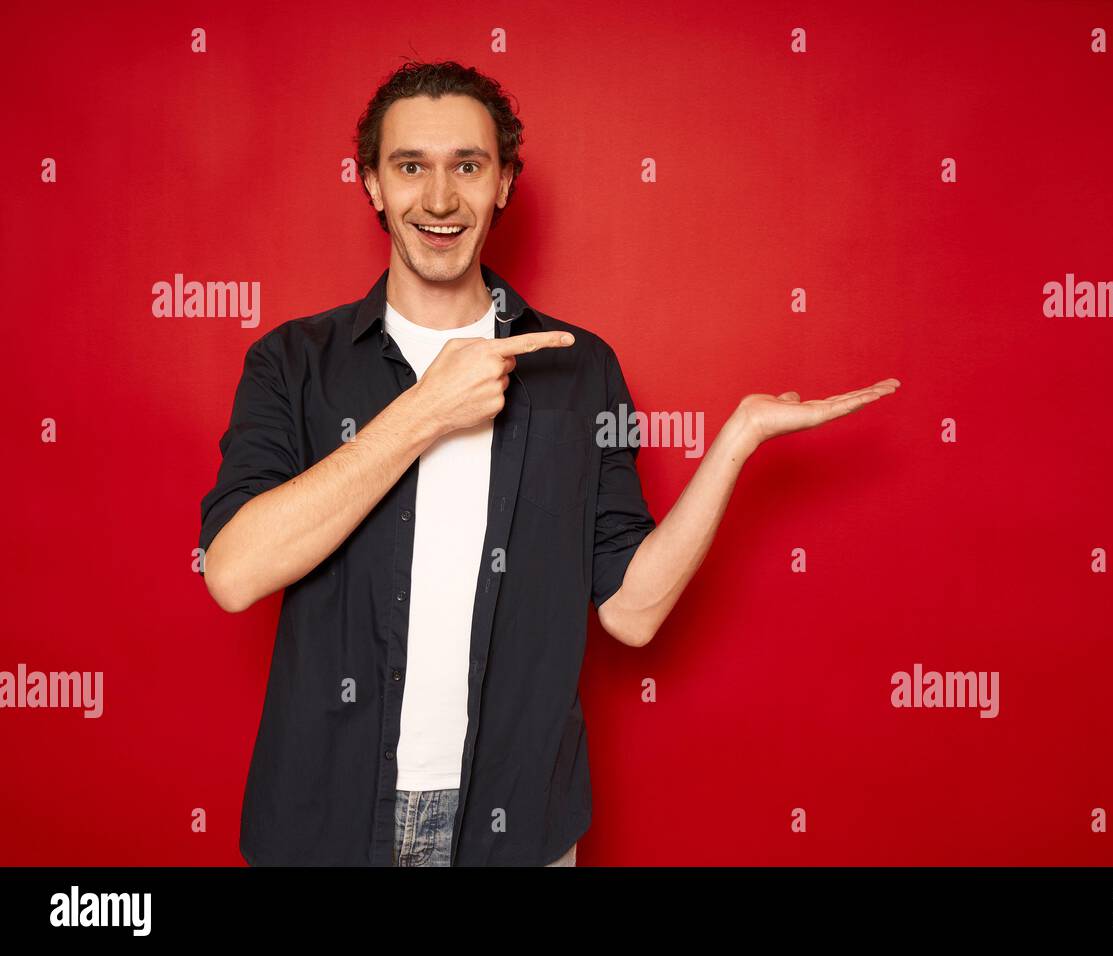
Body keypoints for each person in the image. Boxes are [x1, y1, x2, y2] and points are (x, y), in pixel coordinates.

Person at [197, 60, 900, 867]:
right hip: (323, 816)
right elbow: (234, 572)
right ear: (372, 186)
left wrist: (735, 444)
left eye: (468, 165)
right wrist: (428, 408)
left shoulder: (580, 368)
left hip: (516, 821)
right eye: (410, 167)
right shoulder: (292, 362)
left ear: (502, 184)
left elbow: (631, 614)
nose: (437, 199)